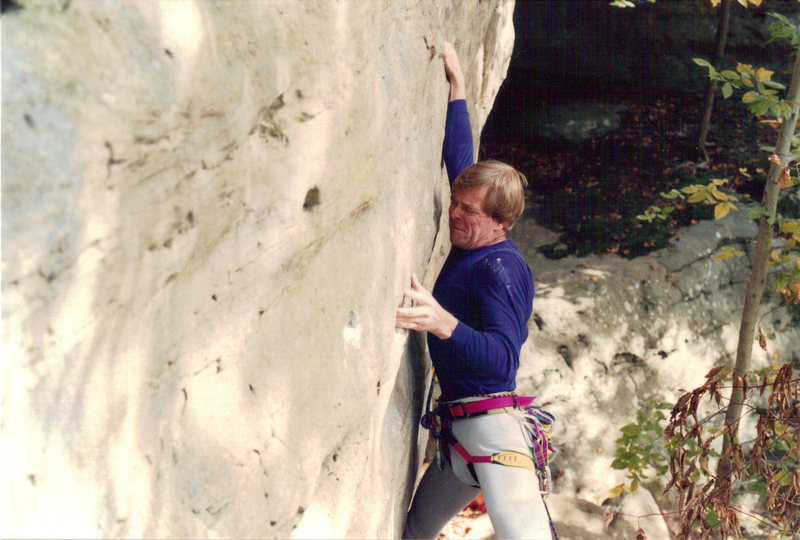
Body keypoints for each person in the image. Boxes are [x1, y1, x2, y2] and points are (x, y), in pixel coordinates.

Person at [395, 42, 553, 539]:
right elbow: (461, 158)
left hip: (491, 432)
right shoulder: (477, 237)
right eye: (456, 204)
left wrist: (444, 323)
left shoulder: (502, 269)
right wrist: (458, 88)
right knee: (412, 534)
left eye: (469, 211)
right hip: (456, 439)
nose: (455, 215)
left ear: (502, 222)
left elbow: (502, 358)